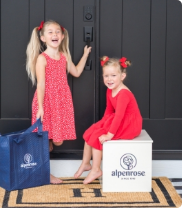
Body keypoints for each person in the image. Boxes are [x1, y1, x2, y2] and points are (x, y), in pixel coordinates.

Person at [26, 20, 91, 184]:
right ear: (42, 38)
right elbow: (40, 84)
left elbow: (75, 72)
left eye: (57, 32)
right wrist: (40, 107)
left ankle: (46, 152)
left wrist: (85, 55)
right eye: (50, 32)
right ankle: (45, 173)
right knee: (43, 140)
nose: (54, 34)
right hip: (46, 101)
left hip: (61, 101)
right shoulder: (42, 58)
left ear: (62, 36)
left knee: (57, 139)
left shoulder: (64, 56)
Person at [74, 56, 142, 184]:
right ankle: (86, 163)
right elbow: (109, 111)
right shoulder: (110, 90)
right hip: (117, 119)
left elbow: (120, 115)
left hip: (130, 123)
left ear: (122, 76)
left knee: (98, 137)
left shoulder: (123, 94)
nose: (109, 79)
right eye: (106, 76)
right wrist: (102, 124)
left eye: (113, 75)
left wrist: (109, 134)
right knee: (91, 131)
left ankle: (96, 169)